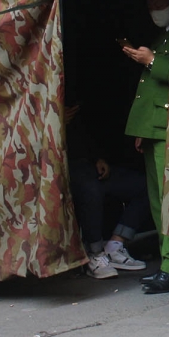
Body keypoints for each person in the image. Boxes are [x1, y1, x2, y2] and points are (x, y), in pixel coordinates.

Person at [123, 0, 169, 294]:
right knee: (155, 200)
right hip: (154, 129)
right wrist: (142, 129)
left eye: (158, 2)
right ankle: (167, 262)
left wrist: (150, 60)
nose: (154, 10)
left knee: (168, 199)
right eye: (149, 5)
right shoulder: (162, 35)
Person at [65, 102, 150, 279]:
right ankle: (94, 253)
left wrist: (98, 157)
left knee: (144, 186)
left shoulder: (75, 104)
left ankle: (114, 246)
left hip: (89, 164)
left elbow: (83, 134)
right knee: (91, 189)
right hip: (64, 169)